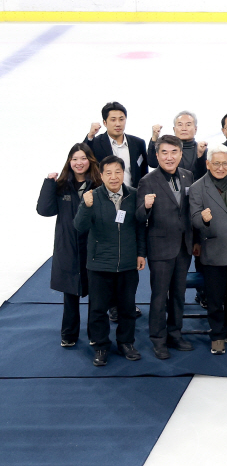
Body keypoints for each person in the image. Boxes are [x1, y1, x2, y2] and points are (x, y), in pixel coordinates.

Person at [74, 155, 145, 367]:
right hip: (99, 264)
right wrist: (85, 206)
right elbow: (79, 227)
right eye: (108, 173)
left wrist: (141, 253)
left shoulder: (134, 195)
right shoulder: (92, 197)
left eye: (118, 172)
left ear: (124, 173)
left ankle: (126, 343)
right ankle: (101, 346)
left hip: (127, 264)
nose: (114, 177)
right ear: (101, 175)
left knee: (127, 307)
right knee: (98, 309)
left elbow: (141, 227)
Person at [136, 134, 197, 359]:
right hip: (160, 248)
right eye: (164, 152)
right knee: (159, 296)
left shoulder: (188, 175)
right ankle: (158, 339)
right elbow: (139, 217)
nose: (169, 157)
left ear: (181, 154)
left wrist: (196, 241)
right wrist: (146, 206)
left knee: (179, 295)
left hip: (184, 246)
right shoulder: (147, 181)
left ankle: (175, 334)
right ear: (157, 155)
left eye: (174, 152)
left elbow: (191, 211)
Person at [38, 143, 102, 348]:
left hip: (94, 245)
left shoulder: (99, 185)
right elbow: (45, 210)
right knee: (70, 292)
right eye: (74, 159)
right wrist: (49, 183)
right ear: (69, 162)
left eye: (83, 158)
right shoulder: (62, 186)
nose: (79, 163)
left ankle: (96, 333)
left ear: (90, 160)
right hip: (68, 245)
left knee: (96, 292)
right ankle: (69, 333)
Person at [189, 144, 227, 355]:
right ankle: (217, 335)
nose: (220, 167)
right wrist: (202, 220)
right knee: (215, 298)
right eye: (216, 163)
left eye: (225, 163)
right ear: (207, 164)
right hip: (214, 248)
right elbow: (194, 218)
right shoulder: (198, 187)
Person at [84, 101, 149, 187]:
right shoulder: (96, 143)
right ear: (105, 122)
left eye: (121, 119)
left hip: (133, 197)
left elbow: (144, 174)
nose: (118, 124)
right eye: (113, 120)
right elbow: (82, 157)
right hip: (104, 197)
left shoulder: (138, 143)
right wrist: (90, 136)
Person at [148, 110, 206, 176]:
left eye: (188, 125)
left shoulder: (202, 150)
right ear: (174, 129)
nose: (184, 128)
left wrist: (200, 156)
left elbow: (205, 175)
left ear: (195, 129)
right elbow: (152, 163)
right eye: (180, 125)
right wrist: (154, 138)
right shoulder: (167, 150)